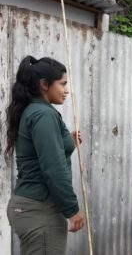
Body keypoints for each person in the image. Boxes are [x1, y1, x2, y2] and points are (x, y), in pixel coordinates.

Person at [5, 56, 84, 255]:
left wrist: (68, 141)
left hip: (30, 208)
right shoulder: (43, 114)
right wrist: (72, 209)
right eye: (63, 84)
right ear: (44, 84)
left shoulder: (34, 111)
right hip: (40, 210)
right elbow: (53, 168)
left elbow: (42, 152)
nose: (67, 90)